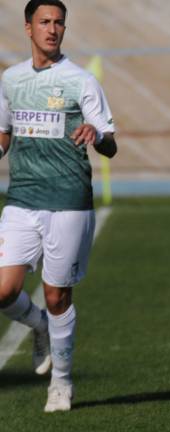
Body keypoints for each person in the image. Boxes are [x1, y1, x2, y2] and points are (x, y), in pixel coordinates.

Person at [0, 0, 117, 412]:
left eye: (59, 23)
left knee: (56, 297)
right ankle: (40, 329)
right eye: (44, 22)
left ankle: (62, 383)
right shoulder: (10, 80)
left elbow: (111, 144)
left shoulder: (80, 81)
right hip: (22, 199)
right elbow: (3, 137)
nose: (52, 29)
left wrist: (95, 134)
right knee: (2, 290)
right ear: (28, 28)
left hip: (67, 201)